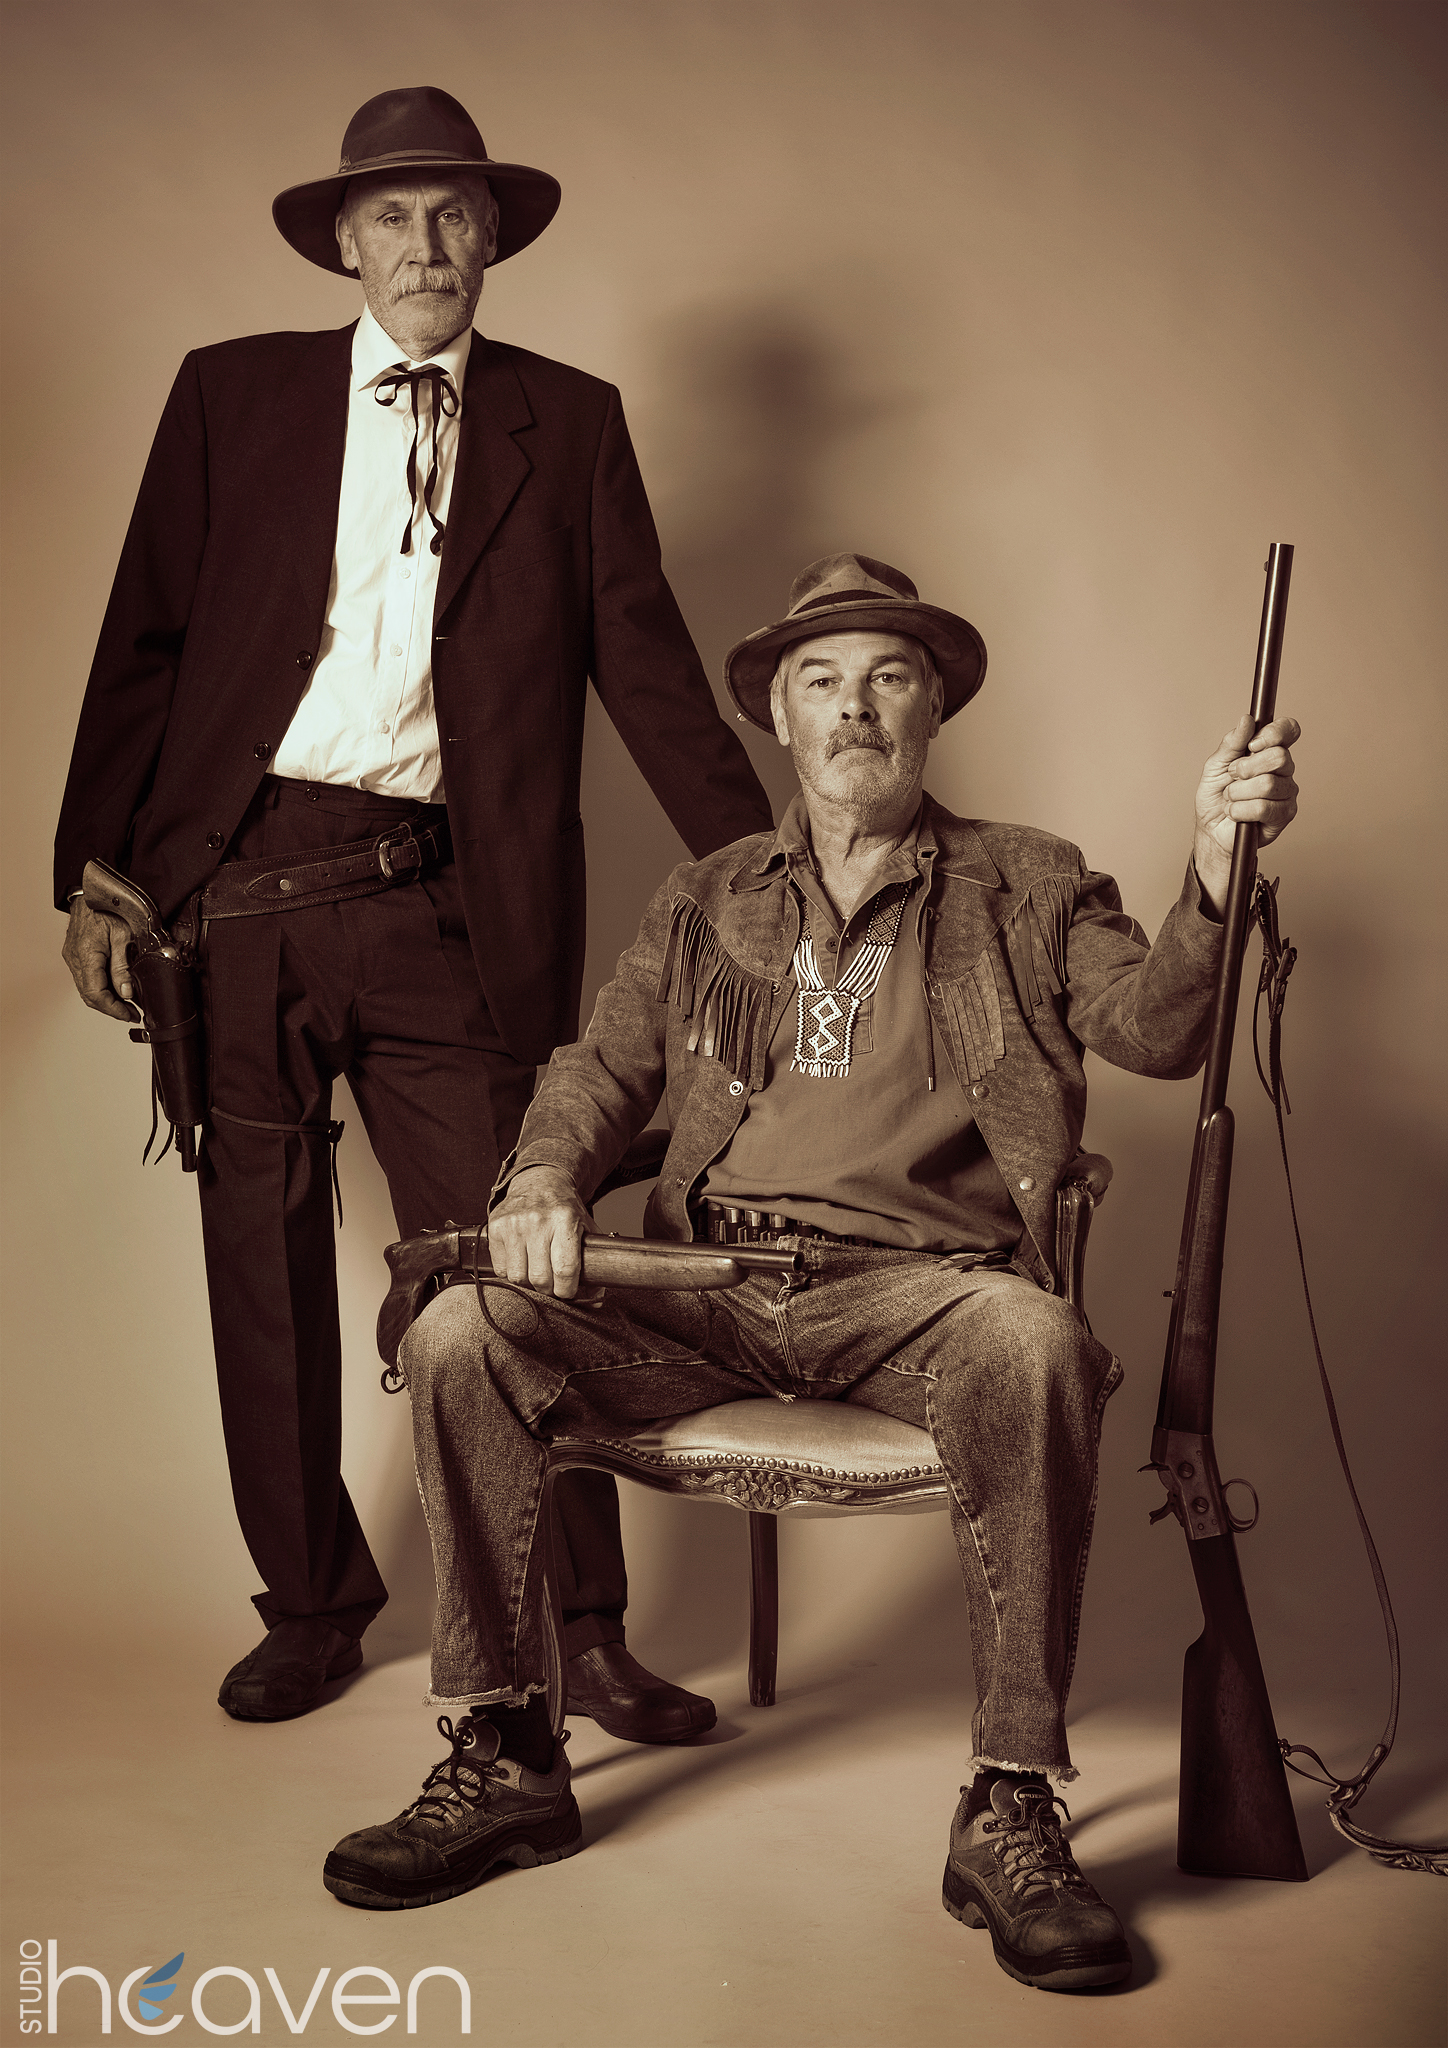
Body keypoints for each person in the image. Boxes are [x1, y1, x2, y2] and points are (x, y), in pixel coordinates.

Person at [322, 552, 1302, 1986]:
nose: (856, 708)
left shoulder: (1031, 880)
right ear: (780, 715)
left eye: (890, 678)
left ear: (934, 710)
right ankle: (509, 1754)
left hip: (925, 1296)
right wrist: (541, 1177)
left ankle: (1012, 1804)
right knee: (466, 1331)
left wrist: (1215, 871)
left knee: (1035, 1343)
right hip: (705, 1294)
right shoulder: (706, 896)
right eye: (823, 680)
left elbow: (1156, 1029)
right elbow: (599, 1069)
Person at [53, 86, 773, 1735]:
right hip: (234, 894)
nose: (426, 244)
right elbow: (142, 636)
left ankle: (582, 1628)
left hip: (449, 900)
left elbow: (652, 674)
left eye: (454, 214)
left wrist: (768, 879)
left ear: (494, 234)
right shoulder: (232, 395)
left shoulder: (567, 422)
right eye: (393, 216)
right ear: (346, 241)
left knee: (520, 1266)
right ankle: (312, 1605)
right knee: (261, 1268)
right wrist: (92, 870)